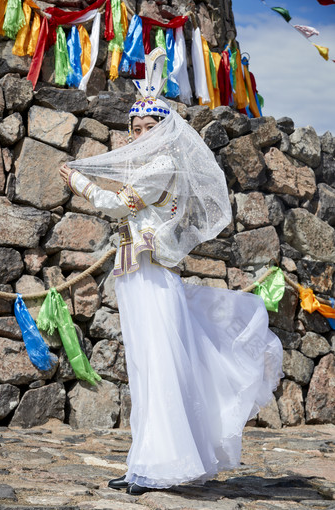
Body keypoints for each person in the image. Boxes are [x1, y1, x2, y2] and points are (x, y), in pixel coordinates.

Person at [59, 48, 283, 496]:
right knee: (144, 370)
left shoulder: (161, 167)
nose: (141, 134)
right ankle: (145, 459)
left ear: (164, 131)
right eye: (135, 128)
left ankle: (157, 464)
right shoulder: (146, 166)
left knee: (158, 368)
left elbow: (116, 203)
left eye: (149, 127)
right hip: (137, 276)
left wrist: (78, 181)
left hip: (153, 278)